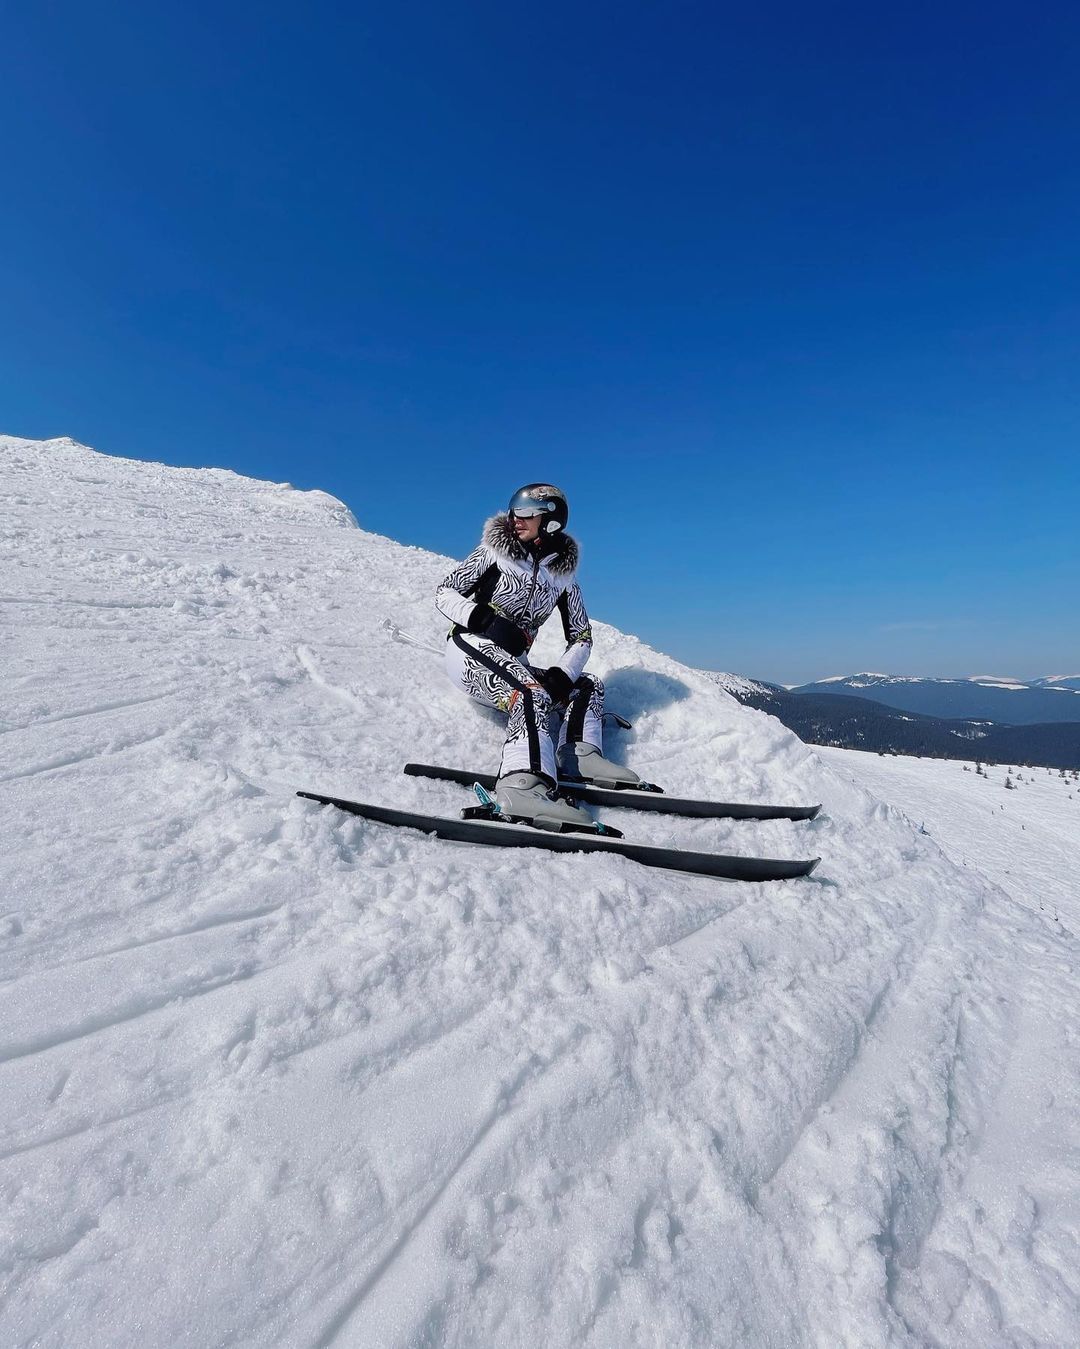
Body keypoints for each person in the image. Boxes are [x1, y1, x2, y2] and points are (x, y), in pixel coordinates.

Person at [435, 483, 640, 829]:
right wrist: (482, 619)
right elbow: (445, 592)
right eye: (515, 510)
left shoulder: (563, 576)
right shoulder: (494, 552)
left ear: (552, 520)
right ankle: (522, 787)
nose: (517, 519)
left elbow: (582, 636)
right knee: (529, 692)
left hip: (514, 663)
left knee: (586, 685)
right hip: (470, 648)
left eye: (528, 513)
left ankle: (580, 756)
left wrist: (563, 672)